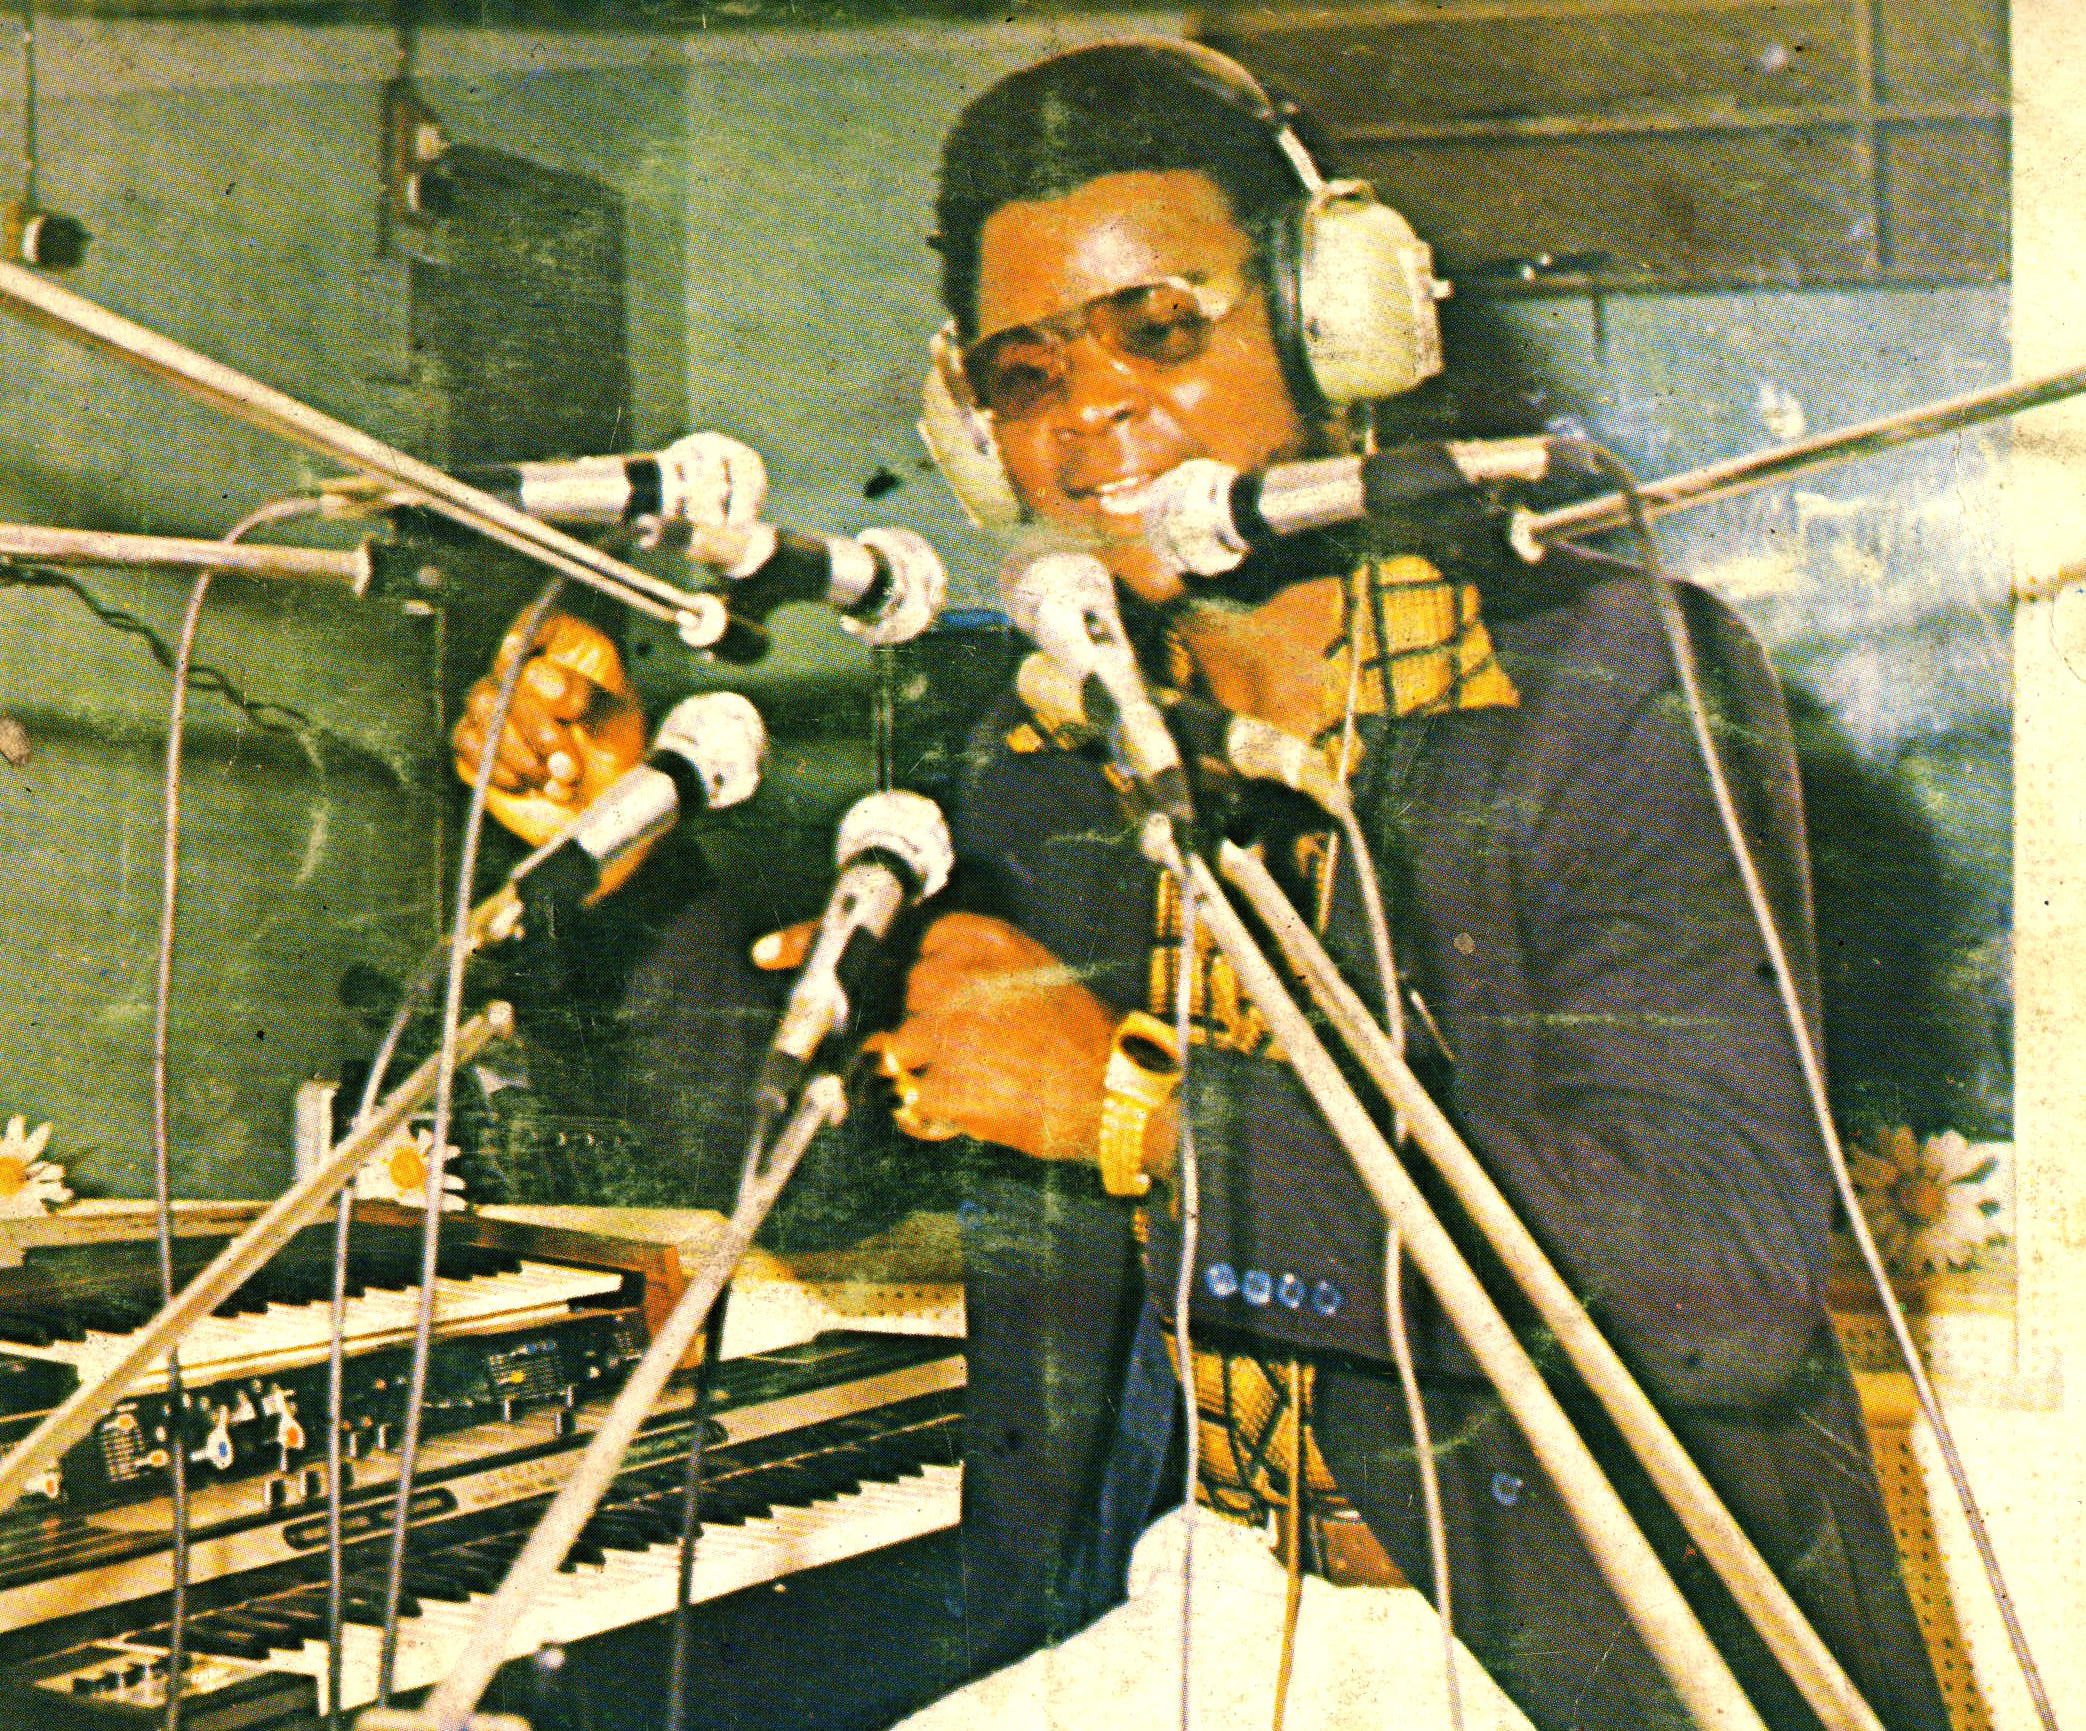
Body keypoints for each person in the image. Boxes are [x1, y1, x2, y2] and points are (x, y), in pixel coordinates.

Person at [455, 39, 1950, 1731]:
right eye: (1024, 371)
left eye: (1159, 330)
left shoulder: (1612, 682)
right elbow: (812, 1177)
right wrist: (626, 854)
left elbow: (1715, 1274)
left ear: (1332, 329)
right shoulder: (1049, 749)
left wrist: (1136, 1111)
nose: (1090, 414)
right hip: (1207, 1606)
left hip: (1575, 1662)